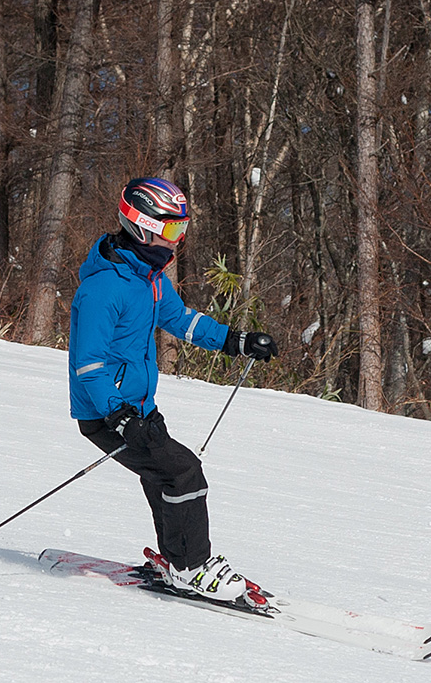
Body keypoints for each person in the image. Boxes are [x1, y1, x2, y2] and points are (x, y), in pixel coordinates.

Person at [69, 178, 278, 602]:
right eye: (171, 232)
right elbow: (88, 366)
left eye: (181, 231)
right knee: (183, 471)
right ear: (143, 226)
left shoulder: (149, 279)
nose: (177, 241)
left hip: (137, 409)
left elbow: (181, 319)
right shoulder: (103, 288)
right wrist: (118, 415)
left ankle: (176, 560)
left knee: (164, 475)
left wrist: (235, 341)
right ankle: (192, 566)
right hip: (106, 414)